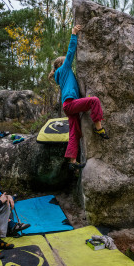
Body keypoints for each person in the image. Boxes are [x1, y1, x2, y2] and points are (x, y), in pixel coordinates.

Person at [48, 25, 109, 171]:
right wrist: (74, 34)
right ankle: (99, 128)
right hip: (70, 104)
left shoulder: (61, 75)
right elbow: (71, 52)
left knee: (74, 133)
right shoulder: (64, 69)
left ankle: (72, 161)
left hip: (68, 106)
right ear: (61, 64)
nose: (70, 64)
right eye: (67, 62)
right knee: (94, 100)